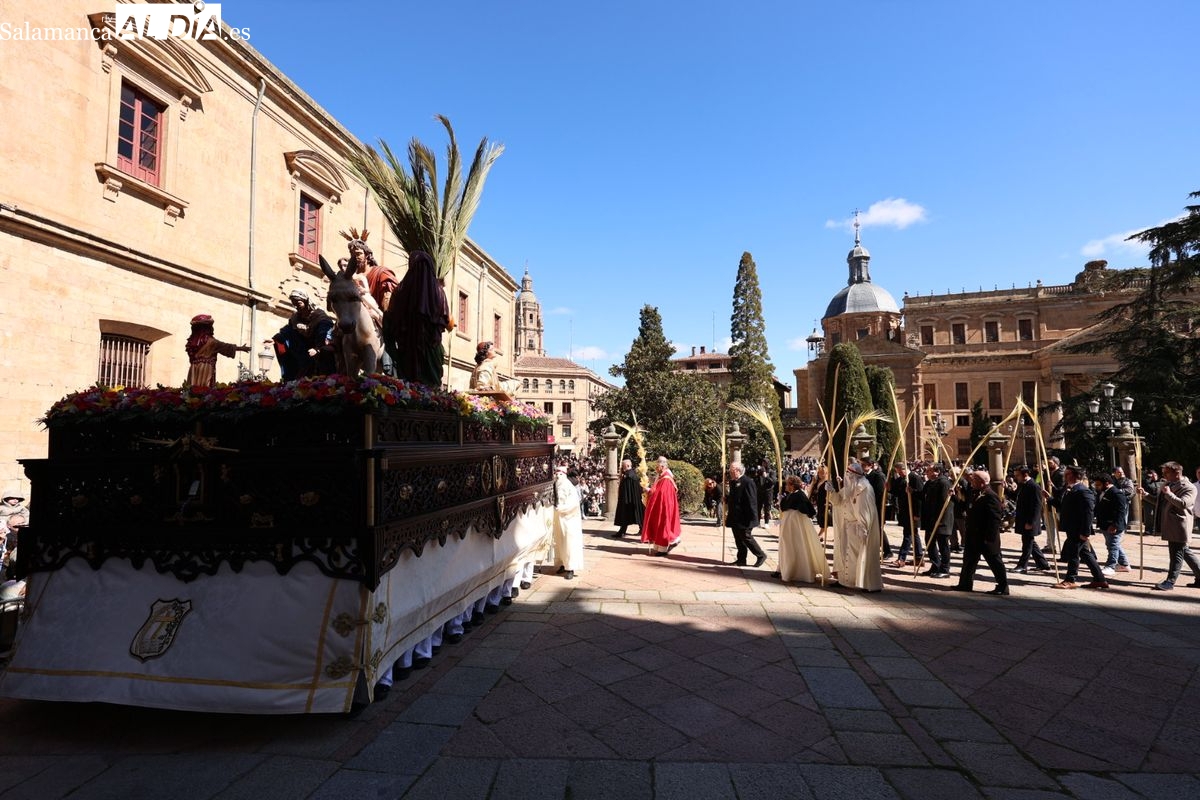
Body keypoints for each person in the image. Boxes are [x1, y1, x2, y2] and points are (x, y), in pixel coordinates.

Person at [386, 251, 451, 386]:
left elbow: (390, 318)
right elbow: (447, 321)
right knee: (431, 389)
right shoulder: (439, 292)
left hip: (407, 349)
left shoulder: (400, 291)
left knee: (409, 387)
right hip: (431, 350)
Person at [1141, 461, 1200, 591]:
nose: (1164, 475)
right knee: (1184, 552)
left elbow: (1184, 503)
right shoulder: (1168, 484)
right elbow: (1159, 502)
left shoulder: (1189, 487)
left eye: (1166, 473)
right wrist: (1145, 495)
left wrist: (1169, 494)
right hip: (1170, 524)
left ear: (1177, 473)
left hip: (1179, 525)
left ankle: (1170, 582)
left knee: (1176, 554)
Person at [826, 461, 882, 591]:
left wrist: (863, 526)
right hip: (847, 526)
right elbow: (838, 501)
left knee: (857, 556)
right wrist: (831, 492)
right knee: (846, 554)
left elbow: (865, 509)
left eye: (849, 474)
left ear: (854, 475)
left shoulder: (864, 488)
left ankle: (865, 582)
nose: (847, 477)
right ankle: (845, 580)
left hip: (859, 527)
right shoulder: (849, 488)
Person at [952, 469, 1010, 595]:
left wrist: (989, 538)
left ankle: (1003, 587)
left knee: (995, 562)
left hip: (986, 537)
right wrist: (954, 497)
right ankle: (965, 584)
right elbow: (966, 507)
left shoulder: (990, 496)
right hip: (973, 535)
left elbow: (995, 519)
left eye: (974, 479)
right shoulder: (975, 493)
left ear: (982, 482)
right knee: (969, 561)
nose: (971, 481)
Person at [1049, 466, 1106, 589]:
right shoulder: (1070, 489)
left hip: (1078, 529)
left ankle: (1070, 580)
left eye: (1068, 474)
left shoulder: (1083, 491)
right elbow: (1063, 506)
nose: (1065, 476)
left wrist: (1085, 532)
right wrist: (1049, 498)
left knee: (1073, 554)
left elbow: (1088, 513)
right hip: (1072, 528)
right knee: (1085, 554)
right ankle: (1100, 579)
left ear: (1076, 476)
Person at [272, 290, 335, 380]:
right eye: (294, 304)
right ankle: (290, 375)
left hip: (316, 348)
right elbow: (287, 331)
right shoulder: (295, 318)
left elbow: (325, 333)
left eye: (299, 303)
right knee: (279, 339)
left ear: (306, 301)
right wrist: (275, 340)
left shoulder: (320, 317)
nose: (296, 307)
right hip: (302, 349)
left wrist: (317, 349)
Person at [775, 475, 824, 582]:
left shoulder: (800, 495)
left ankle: (798, 571)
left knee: (795, 546)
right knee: (787, 546)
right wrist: (782, 500)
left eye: (787, 484)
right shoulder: (791, 494)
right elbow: (785, 507)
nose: (786, 486)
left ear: (792, 485)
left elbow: (808, 509)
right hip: (788, 524)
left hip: (795, 525)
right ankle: (783, 569)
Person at [184, 315, 249, 389]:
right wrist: (241, 348)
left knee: (193, 387)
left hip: (194, 369)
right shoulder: (211, 342)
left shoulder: (191, 343)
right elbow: (225, 347)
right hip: (206, 369)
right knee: (204, 388)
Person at [1012, 465, 1051, 574]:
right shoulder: (1023, 485)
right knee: (1031, 543)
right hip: (1023, 519)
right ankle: (1043, 564)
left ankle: (1022, 565)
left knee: (1027, 544)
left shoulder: (1034, 486)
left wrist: (1031, 522)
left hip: (1030, 521)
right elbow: (1015, 497)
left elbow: (1037, 506)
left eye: (1018, 475)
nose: (1016, 477)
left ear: (1025, 475)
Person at [727, 463, 767, 567]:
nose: (730, 472)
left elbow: (751, 500)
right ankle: (741, 559)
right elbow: (735, 498)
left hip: (745, 517)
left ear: (737, 471)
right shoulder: (733, 482)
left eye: (731, 470)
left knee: (746, 537)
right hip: (735, 516)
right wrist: (726, 499)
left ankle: (760, 555)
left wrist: (753, 517)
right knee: (738, 538)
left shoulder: (748, 482)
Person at [641, 456, 681, 557]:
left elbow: (661, 493)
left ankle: (664, 547)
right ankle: (660, 547)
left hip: (664, 506)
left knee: (663, 525)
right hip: (662, 505)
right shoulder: (662, 475)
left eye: (657, 465)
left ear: (662, 465)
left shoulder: (666, 477)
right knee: (659, 525)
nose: (656, 468)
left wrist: (649, 491)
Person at [921, 463, 955, 578]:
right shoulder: (930, 483)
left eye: (929, 470)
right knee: (929, 542)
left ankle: (945, 569)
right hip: (931, 519)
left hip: (941, 520)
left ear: (937, 472)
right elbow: (922, 495)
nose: (927, 472)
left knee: (943, 544)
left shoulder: (944, 483)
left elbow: (945, 504)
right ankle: (936, 565)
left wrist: (941, 520)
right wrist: (911, 491)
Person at [1093, 473, 1130, 576]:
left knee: (1113, 545)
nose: (1096, 487)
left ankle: (1111, 566)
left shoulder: (1117, 493)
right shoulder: (1101, 492)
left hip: (1113, 525)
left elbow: (1121, 511)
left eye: (1098, 485)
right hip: (1104, 524)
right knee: (1113, 544)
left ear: (1107, 483)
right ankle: (1124, 564)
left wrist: (1115, 525)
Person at [551, 467, 584, 580]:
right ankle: (562, 564)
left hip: (569, 520)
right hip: (558, 519)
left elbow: (573, 504)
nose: (558, 476)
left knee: (569, 544)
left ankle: (570, 568)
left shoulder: (569, 486)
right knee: (559, 543)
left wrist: (560, 508)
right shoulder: (555, 485)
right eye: (556, 474)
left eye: (560, 474)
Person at [890, 462, 924, 567]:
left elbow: (920, 497)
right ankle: (919, 558)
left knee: (908, 534)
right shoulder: (900, 479)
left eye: (900, 472)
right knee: (913, 534)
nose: (899, 474)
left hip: (913, 511)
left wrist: (917, 514)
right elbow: (896, 492)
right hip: (905, 511)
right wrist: (889, 487)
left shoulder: (915, 478)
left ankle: (901, 558)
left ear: (904, 469)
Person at [612, 459, 644, 539]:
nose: (622, 468)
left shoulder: (629, 476)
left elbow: (628, 489)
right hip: (631, 500)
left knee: (632, 515)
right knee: (634, 515)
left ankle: (624, 532)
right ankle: (624, 531)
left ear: (627, 465)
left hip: (628, 500)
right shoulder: (632, 475)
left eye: (623, 466)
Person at [756, 459, 776, 526]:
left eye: (765, 463)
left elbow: (773, 482)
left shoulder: (771, 472)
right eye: (763, 463)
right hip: (760, 491)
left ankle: (766, 522)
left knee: (767, 507)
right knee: (758, 507)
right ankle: (757, 522)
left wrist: (766, 476)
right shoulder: (759, 471)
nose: (763, 464)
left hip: (768, 492)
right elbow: (756, 480)